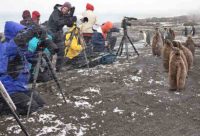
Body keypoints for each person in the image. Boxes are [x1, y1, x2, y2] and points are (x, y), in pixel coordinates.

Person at [0, 21, 45, 115]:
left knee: (41, 104)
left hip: (21, 87)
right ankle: (4, 108)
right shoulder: (6, 47)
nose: (23, 35)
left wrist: (39, 47)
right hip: (10, 89)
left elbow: (31, 57)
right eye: (20, 33)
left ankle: (12, 107)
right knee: (32, 108)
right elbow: (17, 42)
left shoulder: (20, 48)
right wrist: (31, 31)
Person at [48, 2, 77, 72]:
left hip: (59, 34)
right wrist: (68, 20)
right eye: (64, 8)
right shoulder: (55, 12)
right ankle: (48, 69)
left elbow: (69, 25)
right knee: (50, 51)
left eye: (67, 10)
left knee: (61, 51)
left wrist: (71, 17)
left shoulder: (65, 14)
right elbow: (58, 22)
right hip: (51, 33)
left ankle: (58, 68)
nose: (65, 11)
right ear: (62, 7)